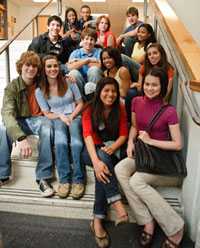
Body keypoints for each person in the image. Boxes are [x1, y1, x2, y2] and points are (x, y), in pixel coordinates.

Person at [115, 67, 184, 248]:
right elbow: (134, 127)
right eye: (147, 84)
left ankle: (175, 227)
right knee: (119, 169)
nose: (150, 88)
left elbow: (178, 144)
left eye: (155, 85)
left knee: (136, 181)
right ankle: (147, 221)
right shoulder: (136, 101)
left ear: (162, 87)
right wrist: (130, 143)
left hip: (163, 162)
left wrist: (151, 141)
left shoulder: (169, 111)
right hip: (143, 155)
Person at [82, 77, 129, 248]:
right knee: (102, 162)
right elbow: (88, 137)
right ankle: (117, 204)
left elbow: (124, 134)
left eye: (113, 91)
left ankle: (97, 221)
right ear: (99, 92)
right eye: (106, 91)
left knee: (103, 166)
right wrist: (96, 162)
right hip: (91, 151)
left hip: (110, 150)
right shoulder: (89, 109)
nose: (110, 94)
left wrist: (113, 146)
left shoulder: (120, 108)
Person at [0, 51, 54, 197]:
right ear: (21, 66)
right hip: (20, 120)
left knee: (47, 127)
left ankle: (43, 177)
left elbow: (56, 67)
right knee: (3, 128)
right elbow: (7, 114)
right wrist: (21, 138)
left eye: (34, 66)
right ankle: (3, 174)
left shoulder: (41, 81)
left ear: (38, 69)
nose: (31, 69)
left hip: (39, 119)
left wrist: (69, 75)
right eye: (27, 65)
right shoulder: (12, 87)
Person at [35, 55, 85, 200]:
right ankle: (64, 180)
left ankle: (78, 180)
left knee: (76, 143)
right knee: (60, 143)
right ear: (43, 70)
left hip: (74, 116)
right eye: (49, 66)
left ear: (59, 67)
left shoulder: (69, 81)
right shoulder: (40, 91)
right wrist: (60, 117)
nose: (53, 69)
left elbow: (80, 103)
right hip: (57, 118)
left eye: (55, 66)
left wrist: (71, 116)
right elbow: (46, 113)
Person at [68, 28, 103, 98]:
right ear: (82, 40)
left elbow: (100, 65)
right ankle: (81, 99)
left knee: (94, 69)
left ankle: (95, 98)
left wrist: (79, 61)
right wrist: (87, 60)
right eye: (86, 39)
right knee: (73, 73)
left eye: (92, 39)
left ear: (95, 41)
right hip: (80, 83)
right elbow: (70, 67)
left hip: (94, 82)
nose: (89, 42)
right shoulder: (75, 53)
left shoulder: (99, 52)